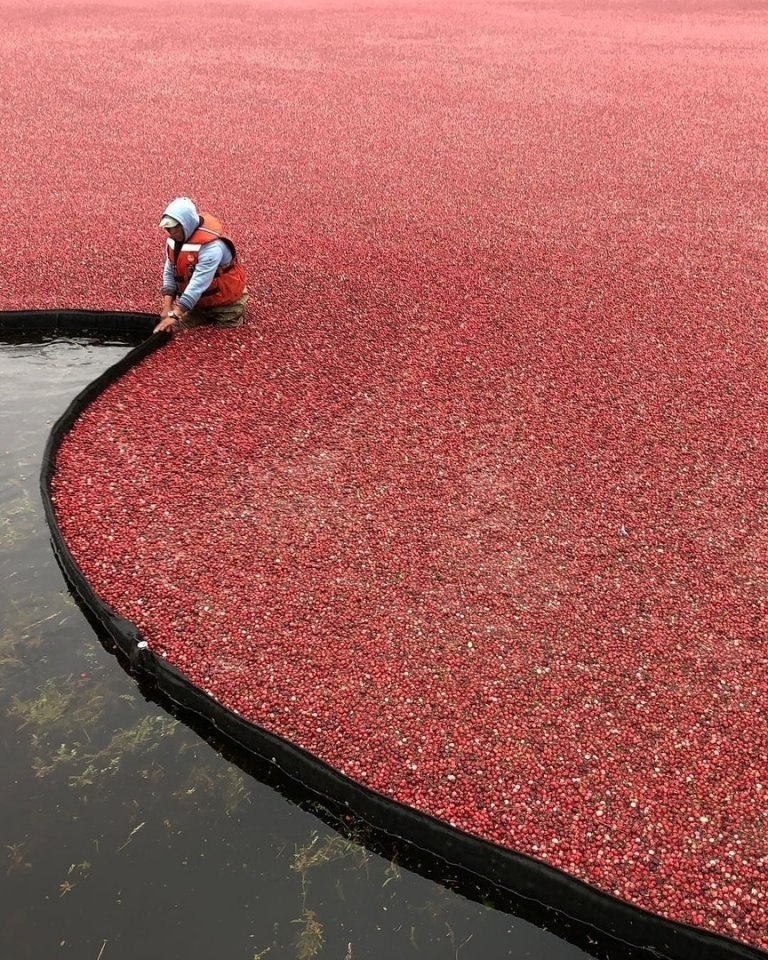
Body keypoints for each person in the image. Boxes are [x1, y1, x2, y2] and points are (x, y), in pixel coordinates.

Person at [154, 197, 248, 333]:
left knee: (225, 336)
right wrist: (167, 307)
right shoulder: (173, 242)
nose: (171, 232)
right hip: (199, 304)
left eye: (175, 228)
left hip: (227, 303)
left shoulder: (211, 247)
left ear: (187, 223)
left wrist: (176, 313)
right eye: (168, 228)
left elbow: (199, 282)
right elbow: (170, 271)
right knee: (181, 330)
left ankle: (235, 312)